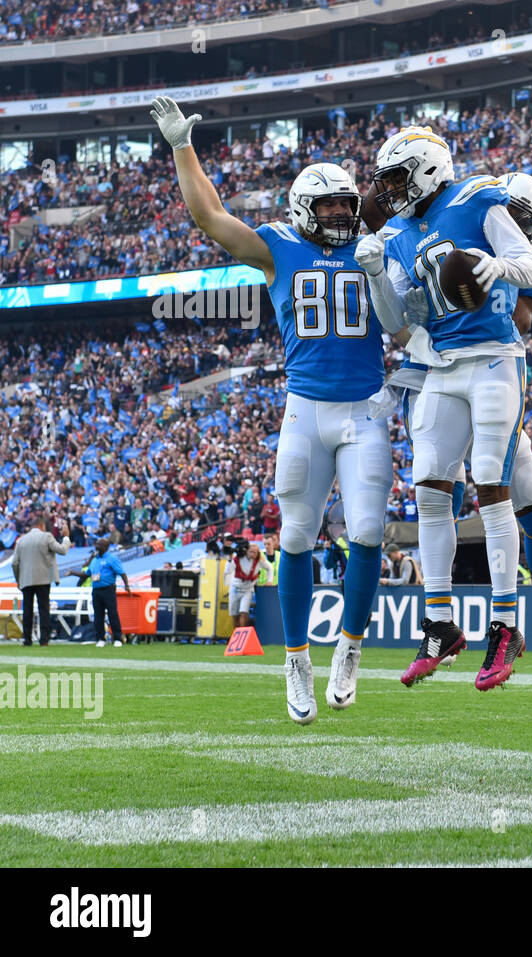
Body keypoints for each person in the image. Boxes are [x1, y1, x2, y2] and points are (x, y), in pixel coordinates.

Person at [153, 96, 391, 725]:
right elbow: (209, 216)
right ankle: (296, 661)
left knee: (367, 533)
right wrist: (182, 146)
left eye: (348, 203)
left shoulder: (378, 246)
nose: (342, 214)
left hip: (366, 407)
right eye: (330, 205)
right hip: (306, 408)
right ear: (302, 210)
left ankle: (351, 647)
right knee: (294, 537)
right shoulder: (278, 247)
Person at [361, 130, 532, 691]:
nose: (388, 190)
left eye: (396, 177)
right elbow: (396, 323)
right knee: (429, 489)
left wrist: (498, 267)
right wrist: (374, 273)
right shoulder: (394, 232)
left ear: (425, 169)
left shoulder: (477, 198)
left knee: (490, 482)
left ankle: (506, 626)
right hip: (441, 365)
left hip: (494, 358)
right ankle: (440, 624)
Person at [13, 516, 71, 646]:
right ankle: (44, 639)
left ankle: (27, 639)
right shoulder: (47, 537)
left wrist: (19, 580)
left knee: (27, 610)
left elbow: (14, 563)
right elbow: (62, 550)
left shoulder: (21, 541)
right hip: (43, 579)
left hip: (26, 579)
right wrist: (66, 537)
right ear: (42, 526)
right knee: (44, 609)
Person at [85, 539, 130, 648]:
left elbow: (122, 573)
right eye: (97, 543)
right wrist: (72, 572)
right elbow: (87, 574)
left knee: (112, 614)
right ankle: (100, 638)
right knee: (98, 615)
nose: (97, 546)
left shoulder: (112, 559)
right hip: (96, 590)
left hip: (108, 589)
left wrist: (127, 585)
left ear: (105, 546)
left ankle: (118, 638)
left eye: (99, 544)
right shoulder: (95, 560)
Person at [226, 543, 272, 631]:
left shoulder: (260, 561)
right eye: (251, 552)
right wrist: (229, 560)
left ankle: (243, 634)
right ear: (246, 551)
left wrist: (269, 581)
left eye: (255, 552)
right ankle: (236, 635)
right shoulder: (238, 558)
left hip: (248, 590)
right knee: (234, 614)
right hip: (235, 588)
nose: (253, 554)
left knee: (244, 612)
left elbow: (269, 568)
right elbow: (228, 570)